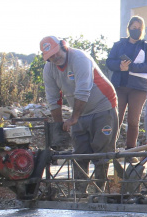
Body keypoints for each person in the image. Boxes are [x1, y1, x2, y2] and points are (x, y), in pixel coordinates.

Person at [41, 35, 119, 191]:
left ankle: (99, 190)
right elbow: (53, 98)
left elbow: (83, 90)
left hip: (103, 106)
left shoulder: (79, 58)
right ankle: (80, 191)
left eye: (56, 52)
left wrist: (74, 118)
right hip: (81, 111)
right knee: (79, 153)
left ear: (63, 46)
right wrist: (59, 126)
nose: (55, 57)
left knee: (102, 151)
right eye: (50, 57)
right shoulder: (49, 70)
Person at [106, 16, 147, 149]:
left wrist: (131, 67)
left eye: (139, 28)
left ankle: (131, 150)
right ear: (129, 29)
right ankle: (110, 148)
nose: (137, 30)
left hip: (138, 88)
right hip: (119, 86)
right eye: (134, 28)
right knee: (116, 119)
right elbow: (109, 62)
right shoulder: (118, 45)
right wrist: (119, 65)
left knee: (133, 121)